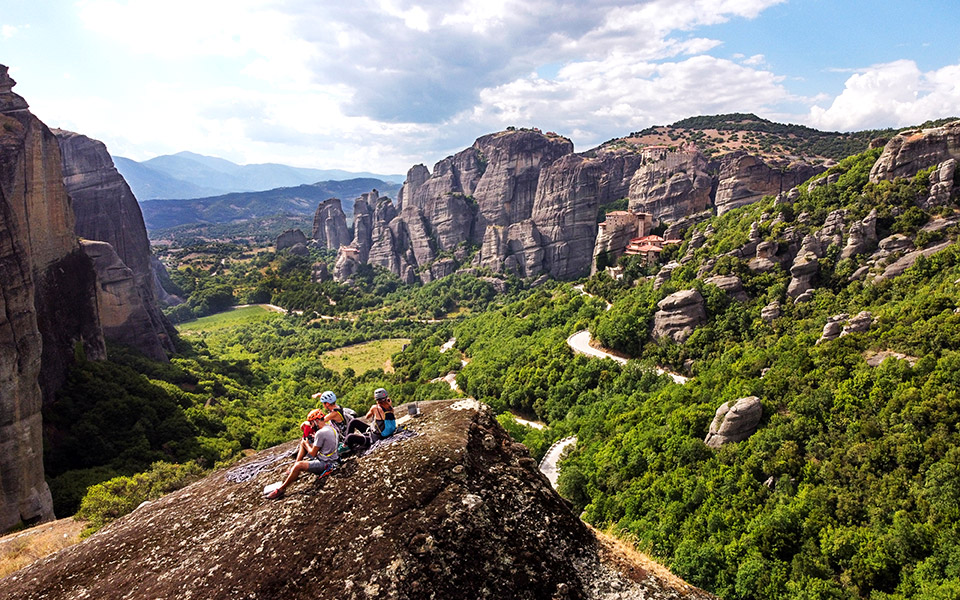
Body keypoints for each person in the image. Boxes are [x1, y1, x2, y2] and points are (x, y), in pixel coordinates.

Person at [267, 410, 339, 499]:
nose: (311, 426)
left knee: (299, 465)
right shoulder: (330, 428)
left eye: (311, 423)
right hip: (331, 457)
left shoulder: (320, 433)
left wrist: (307, 445)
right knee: (303, 443)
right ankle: (293, 471)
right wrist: (312, 440)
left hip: (326, 463)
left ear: (315, 421)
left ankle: (281, 489)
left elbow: (313, 453)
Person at [344, 387, 396, 453]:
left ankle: (345, 445)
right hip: (385, 433)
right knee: (354, 422)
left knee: (350, 436)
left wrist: (373, 411)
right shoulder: (390, 407)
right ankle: (346, 442)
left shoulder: (375, 408)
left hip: (376, 438)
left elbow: (367, 417)